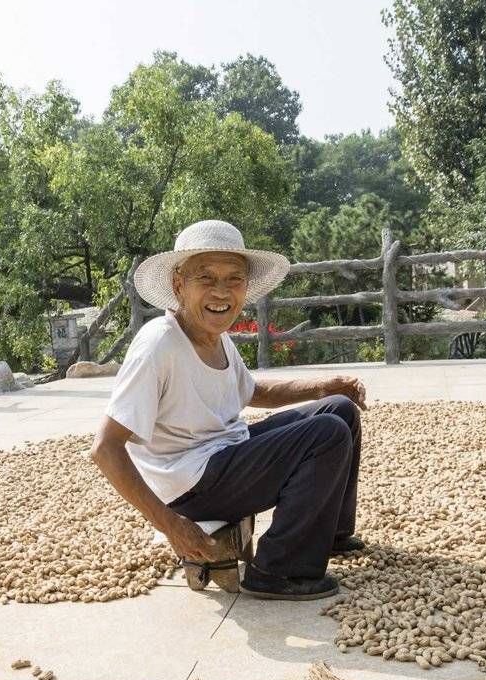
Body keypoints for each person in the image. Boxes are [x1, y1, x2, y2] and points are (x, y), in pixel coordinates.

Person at [90, 219, 366, 601]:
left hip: (223, 456)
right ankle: (278, 570)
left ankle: (328, 533)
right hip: (191, 482)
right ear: (178, 285)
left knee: (339, 411)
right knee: (327, 436)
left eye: (233, 279)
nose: (221, 292)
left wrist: (321, 387)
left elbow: (252, 391)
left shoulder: (214, 337)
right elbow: (105, 448)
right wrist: (171, 525)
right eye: (206, 277)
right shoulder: (159, 346)